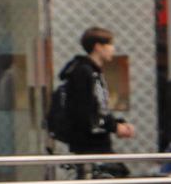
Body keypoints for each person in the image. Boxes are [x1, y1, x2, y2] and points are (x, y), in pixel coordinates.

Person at [51, 26, 134, 161]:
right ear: (98, 47)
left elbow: (100, 107)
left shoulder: (93, 72)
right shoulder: (84, 73)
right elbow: (88, 110)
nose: (113, 49)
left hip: (96, 141)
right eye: (109, 45)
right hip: (90, 143)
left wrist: (117, 123)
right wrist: (114, 126)